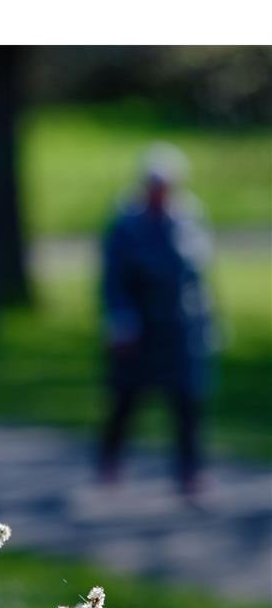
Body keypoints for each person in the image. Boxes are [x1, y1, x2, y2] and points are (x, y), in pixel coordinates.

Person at [98, 143, 215, 502]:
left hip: (179, 328)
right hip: (138, 327)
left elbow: (198, 278)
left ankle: (189, 471)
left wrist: (207, 323)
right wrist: (119, 320)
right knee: (126, 398)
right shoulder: (125, 225)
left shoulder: (188, 220)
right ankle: (110, 462)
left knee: (186, 400)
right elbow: (113, 279)